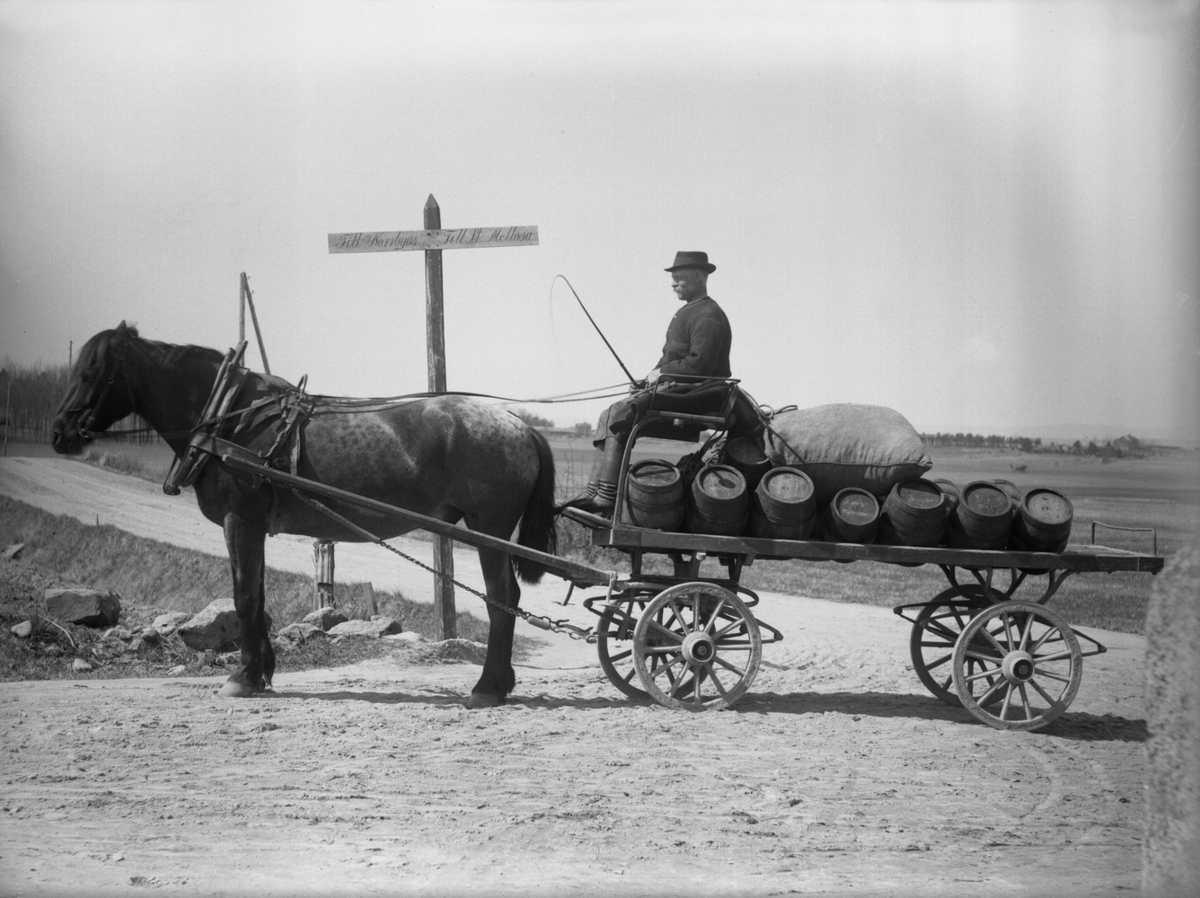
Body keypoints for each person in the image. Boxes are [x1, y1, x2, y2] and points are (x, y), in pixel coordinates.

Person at [563, 250, 733, 516]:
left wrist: (662, 373)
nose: (673, 283)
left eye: (679, 278)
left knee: (622, 411)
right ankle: (591, 493)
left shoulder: (708, 314)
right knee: (608, 413)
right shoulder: (686, 312)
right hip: (681, 387)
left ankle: (606, 498)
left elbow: (701, 365)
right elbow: (671, 357)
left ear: (699, 276)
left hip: (700, 392)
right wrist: (648, 380)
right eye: (673, 278)